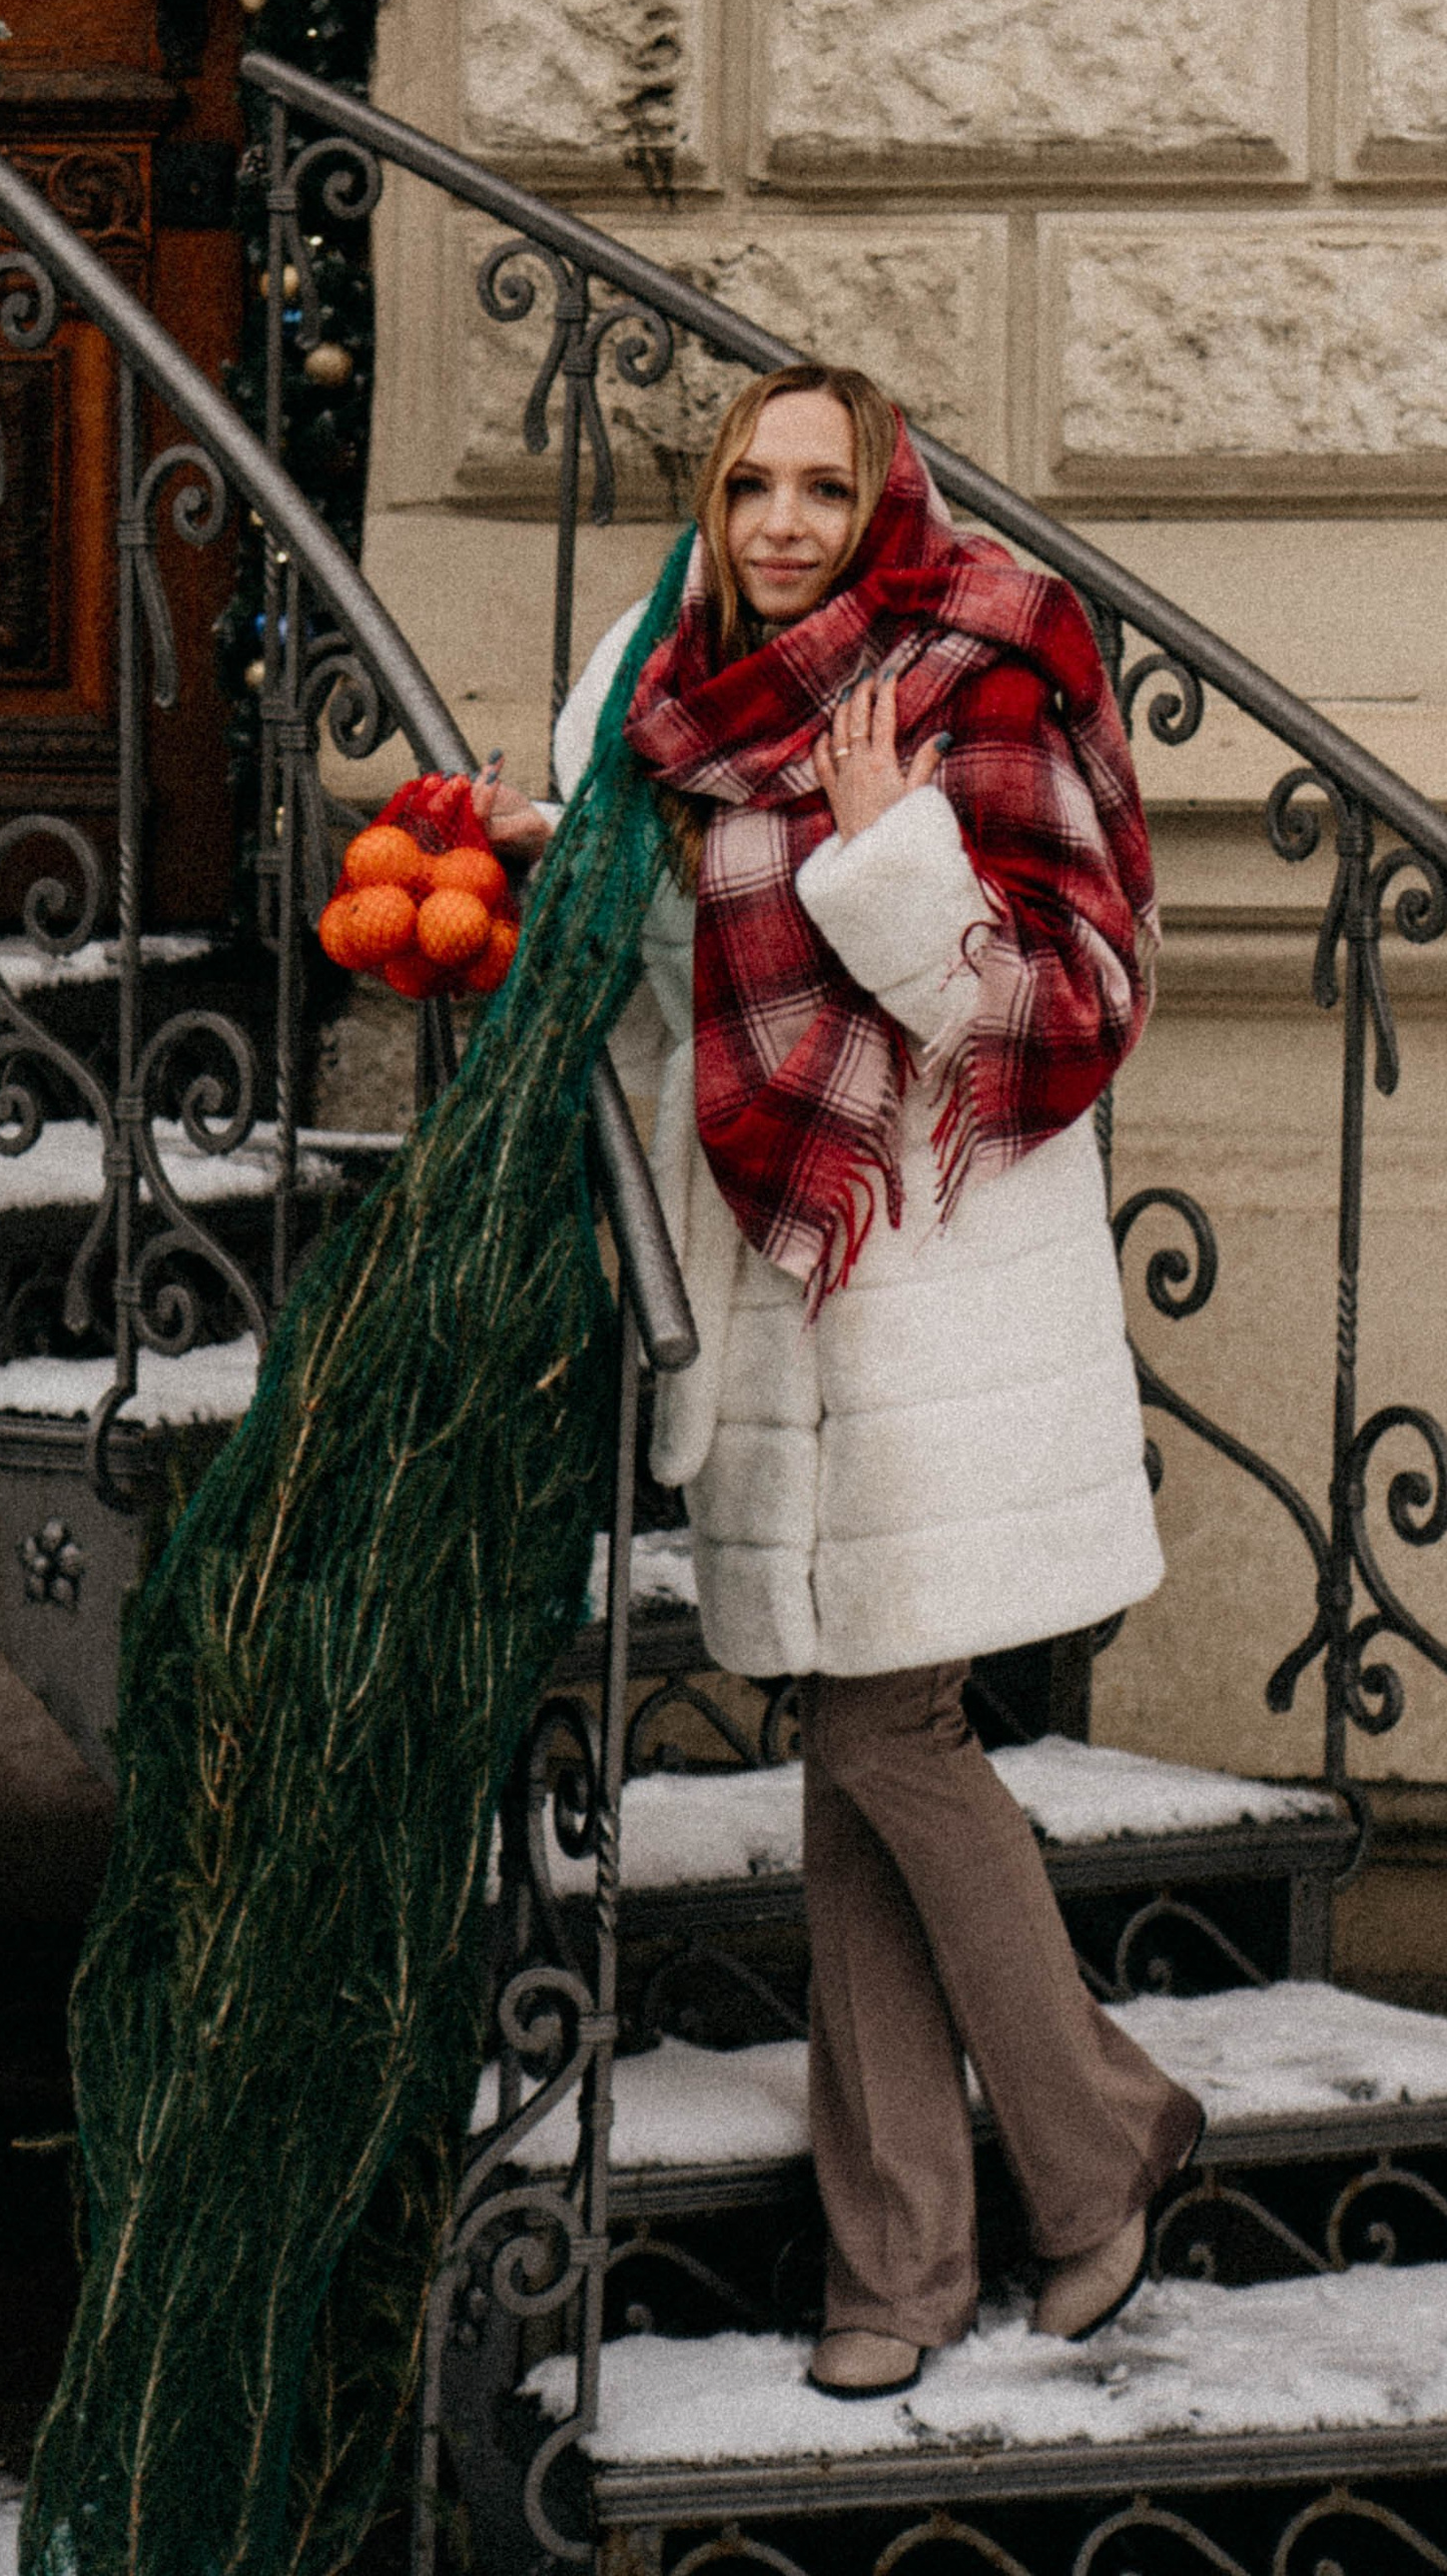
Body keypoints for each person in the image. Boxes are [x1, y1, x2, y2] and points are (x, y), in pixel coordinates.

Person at [472, 365, 1200, 2401]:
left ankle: (1096, 2132)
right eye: (748, 485)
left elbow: (1064, 1010)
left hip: (937, 1284)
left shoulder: (986, 667)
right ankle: (898, 2268)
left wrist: (896, 858)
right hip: (783, 1275)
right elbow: (688, 987)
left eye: (822, 486)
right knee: (851, 1749)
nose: (781, 522)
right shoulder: (675, 695)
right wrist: (567, 865)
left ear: (887, 502)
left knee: (889, 1731)